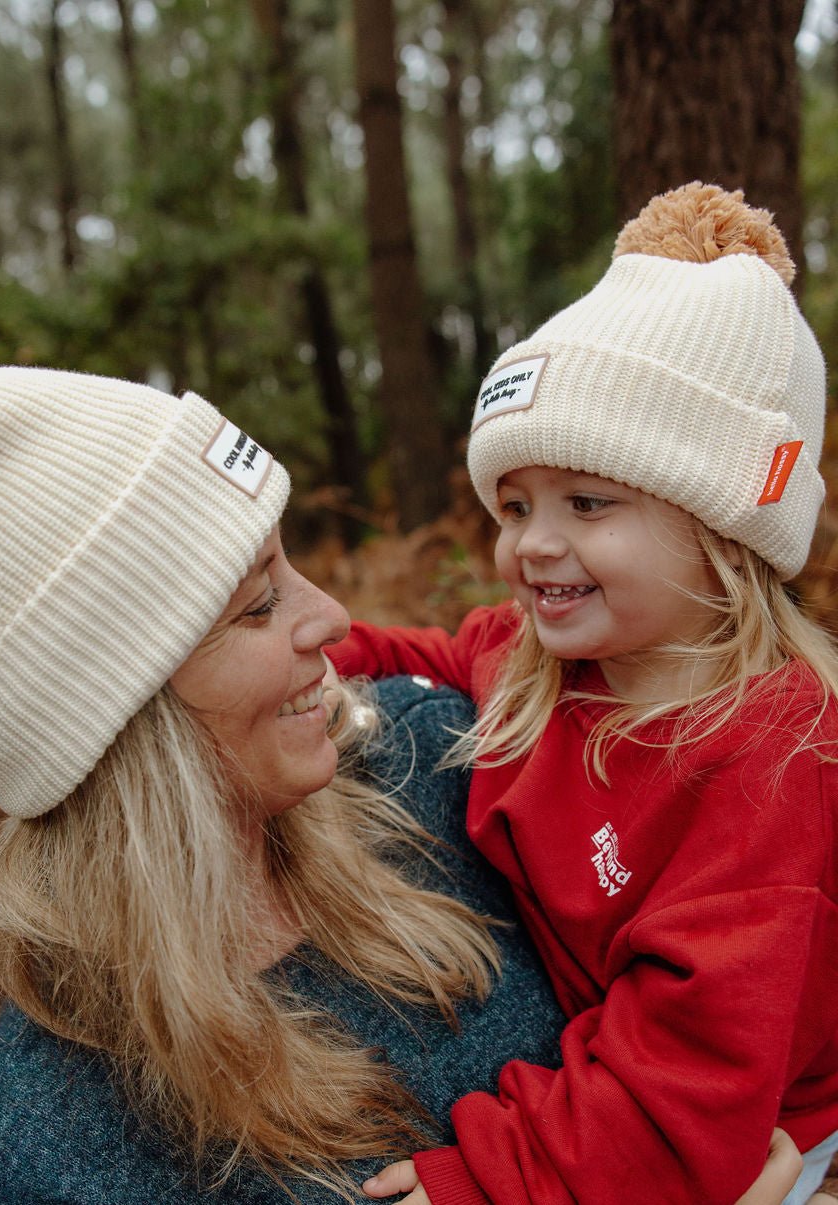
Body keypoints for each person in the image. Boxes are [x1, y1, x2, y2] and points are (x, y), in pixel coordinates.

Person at [0, 353, 803, 1204]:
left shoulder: (436, 761)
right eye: (256, 604)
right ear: (113, 720)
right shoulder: (58, 1146)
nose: (332, 614)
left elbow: (759, 973)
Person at [327, 183, 838, 1205]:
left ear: (722, 528)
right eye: (513, 504)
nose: (531, 544)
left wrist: (489, 1178)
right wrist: (269, 641)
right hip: (617, 1102)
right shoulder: (531, 661)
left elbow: (687, 1079)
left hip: (756, 1140)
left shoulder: (774, 759)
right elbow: (396, 651)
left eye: (588, 502)